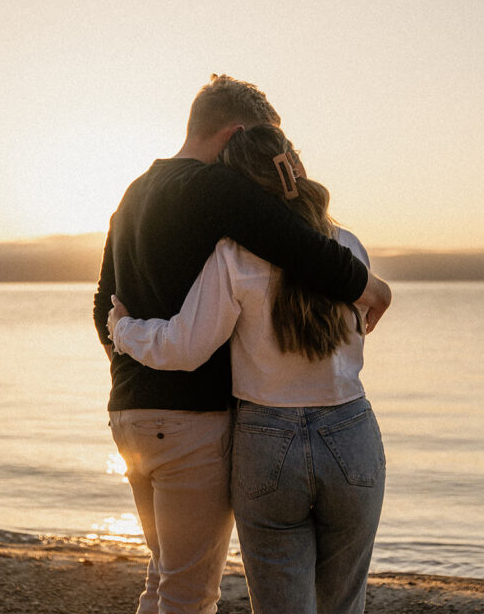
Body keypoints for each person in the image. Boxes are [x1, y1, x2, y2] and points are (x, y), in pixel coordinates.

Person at [93, 74, 390, 614]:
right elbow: (295, 242)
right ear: (236, 134)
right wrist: (367, 284)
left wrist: (125, 353)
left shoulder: (134, 192)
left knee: (164, 577)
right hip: (213, 422)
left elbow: (103, 301)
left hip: (137, 414)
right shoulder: (220, 191)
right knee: (191, 592)